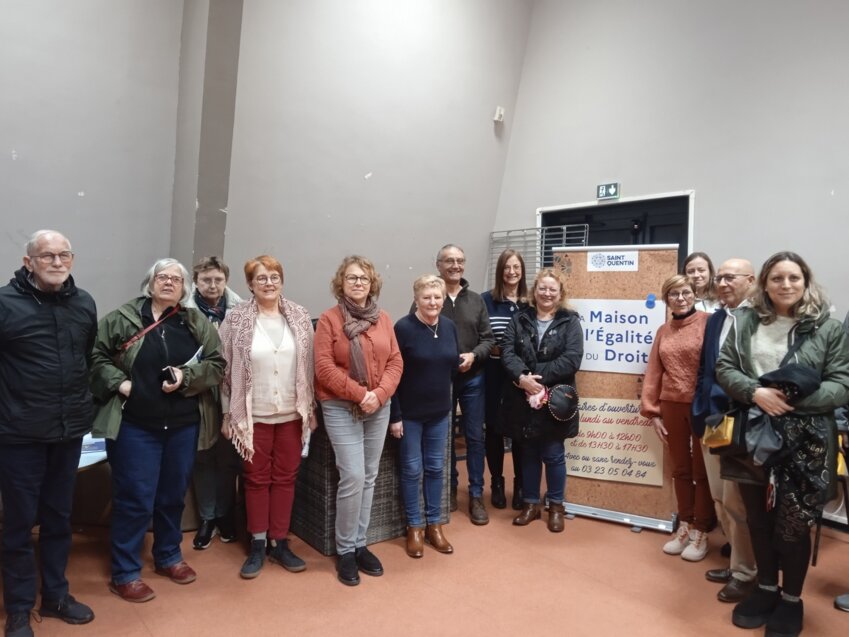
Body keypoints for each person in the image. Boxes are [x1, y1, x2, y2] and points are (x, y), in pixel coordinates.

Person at [716, 251, 849, 637]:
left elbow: (841, 383)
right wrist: (756, 393)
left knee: (793, 525)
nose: (785, 285)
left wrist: (788, 400)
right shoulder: (745, 321)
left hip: (806, 441)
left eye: (793, 278)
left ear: (805, 281)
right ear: (764, 283)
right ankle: (766, 588)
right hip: (754, 431)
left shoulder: (827, 328)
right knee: (757, 518)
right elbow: (725, 367)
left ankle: (792, 599)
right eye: (777, 278)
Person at [90, 258, 225, 603]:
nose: (168, 282)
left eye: (176, 279)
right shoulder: (122, 319)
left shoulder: (194, 322)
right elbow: (95, 357)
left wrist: (186, 377)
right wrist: (119, 383)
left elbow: (216, 364)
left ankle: (168, 556)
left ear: (184, 289)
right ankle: (125, 571)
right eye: (162, 277)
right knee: (134, 498)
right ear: (150, 283)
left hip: (182, 426)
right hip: (135, 426)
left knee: (171, 496)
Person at [0, 230, 96, 637]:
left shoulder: (84, 303)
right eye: (47, 256)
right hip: (18, 433)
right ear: (28, 263)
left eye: (64, 256)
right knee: (20, 523)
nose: (57, 263)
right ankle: (19, 607)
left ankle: (56, 596)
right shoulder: (5, 304)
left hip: (68, 431)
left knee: (59, 518)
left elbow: (87, 357)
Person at [218, 255, 315, 579]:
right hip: (252, 414)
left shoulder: (299, 317)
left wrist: (310, 411)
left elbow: (309, 368)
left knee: (286, 478)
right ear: (250, 284)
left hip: (291, 412)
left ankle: (280, 541)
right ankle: (258, 542)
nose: (269, 282)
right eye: (261, 278)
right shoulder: (236, 319)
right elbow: (224, 369)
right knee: (256, 479)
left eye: (274, 276)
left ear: (282, 281)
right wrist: (226, 415)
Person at [314, 255, 403, 586]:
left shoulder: (384, 319)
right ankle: (346, 550)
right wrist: (359, 394)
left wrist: (378, 396)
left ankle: (360, 543)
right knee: (351, 476)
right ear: (341, 283)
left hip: (378, 406)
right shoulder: (329, 319)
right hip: (340, 406)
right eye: (351, 278)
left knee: (369, 476)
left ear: (372, 283)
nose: (357, 283)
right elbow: (323, 366)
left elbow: (395, 361)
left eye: (363, 278)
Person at [692, 259, 758, 602]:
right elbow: (706, 369)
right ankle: (737, 564)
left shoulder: (761, 318)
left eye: (730, 277)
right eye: (720, 278)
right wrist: (700, 411)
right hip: (711, 419)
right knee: (720, 496)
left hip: (743, 423)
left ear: (751, 280)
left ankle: (747, 574)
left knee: (738, 501)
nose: (722, 283)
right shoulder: (717, 318)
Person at [500, 268, 583, 533]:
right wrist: (522, 377)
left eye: (552, 289)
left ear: (560, 294)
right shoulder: (520, 318)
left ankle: (556, 506)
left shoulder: (570, 321)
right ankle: (531, 504)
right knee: (528, 453)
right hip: (522, 397)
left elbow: (572, 359)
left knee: (554, 454)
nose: (546, 293)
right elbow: (507, 351)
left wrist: (537, 378)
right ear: (534, 291)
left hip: (555, 401)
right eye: (542, 288)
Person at [640, 274, 712, 561]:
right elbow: (653, 373)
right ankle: (685, 525)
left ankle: (702, 531)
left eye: (685, 292)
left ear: (694, 294)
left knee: (702, 471)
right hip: (671, 406)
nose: (680, 298)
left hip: (702, 407)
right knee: (680, 469)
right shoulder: (663, 330)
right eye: (673, 294)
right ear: (666, 298)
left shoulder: (708, 323)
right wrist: (652, 412)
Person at [389, 275, 459, 558]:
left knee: (435, 469)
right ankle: (414, 527)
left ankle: (434, 525)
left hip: (440, 413)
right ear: (416, 299)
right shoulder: (403, 328)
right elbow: (391, 375)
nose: (433, 302)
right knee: (411, 470)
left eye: (438, 297)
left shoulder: (450, 327)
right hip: (410, 416)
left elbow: (451, 367)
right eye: (427, 297)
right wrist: (395, 416)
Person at [434, 244, 495, 524]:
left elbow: (488, 339)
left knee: (474, 438)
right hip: (440, 381)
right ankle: (448, 489)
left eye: (459, 261)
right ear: (439, 265)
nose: (455, 265)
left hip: (473, 378)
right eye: (449, 261)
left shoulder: (476, 300)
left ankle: (475, 495)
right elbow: (416, 329)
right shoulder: (430, 295)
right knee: (444, 437)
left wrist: (473, 355)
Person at [185, 256, 243, 550]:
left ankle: (225, 513)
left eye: (218, 279)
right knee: (203, 455)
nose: (212, 285)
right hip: (199, 392)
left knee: (230, 456)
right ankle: (207, 517)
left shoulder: (242, 309)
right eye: (206, 279)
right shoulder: (183, 310)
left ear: (226, 280)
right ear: (195, 281)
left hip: (232, 391)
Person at [482, 249, 528, 510]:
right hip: (493, 373)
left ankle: (520, 484)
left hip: (522, 376)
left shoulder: (530, 302)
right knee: (494, 429)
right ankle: (497, 483)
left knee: (521, 430)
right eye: (507, 267)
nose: (512, 272)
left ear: (522, 271)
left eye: (516, 267)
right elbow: (481, 337)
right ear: (500, 271)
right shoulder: (486, 300)